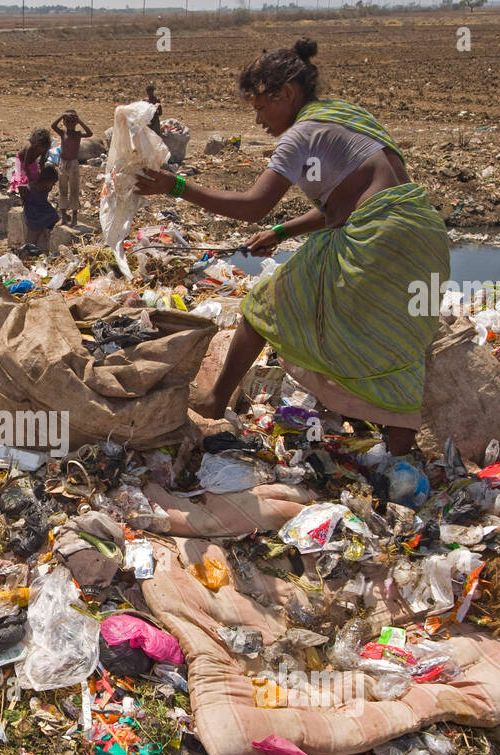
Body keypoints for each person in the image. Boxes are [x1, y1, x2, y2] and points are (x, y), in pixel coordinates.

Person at [133, 39, 450, 456]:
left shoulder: (301, 134)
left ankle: (214, 400)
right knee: (396, 338)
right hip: (423, 236)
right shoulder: (349, 117)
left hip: (377, 241)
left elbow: (253, 205)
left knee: (264, 306)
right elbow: (350, 202)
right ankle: (400, 455)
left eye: (261, 108)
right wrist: (282, 233)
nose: (260, 120)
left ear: (285, 94)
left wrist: (175, 186)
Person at [50, 110, 92, 225]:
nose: (69, 123)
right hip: (63, 163)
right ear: (63, 122)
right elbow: (53, 125)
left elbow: (90, 133)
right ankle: (63, 217)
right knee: (63, 190)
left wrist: (79, 121)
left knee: (74, 191)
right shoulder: (63, 133)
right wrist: (61, 116)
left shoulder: (77, 134)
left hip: (73, 164)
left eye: (72, 121)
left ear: (76, 122)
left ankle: (74, 218)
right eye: (67, 121)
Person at [22, 165, 59, 251]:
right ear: (46, 180)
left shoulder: (45, 186)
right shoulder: (35, 186)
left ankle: (35, 244)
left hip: (42, 206)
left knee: (54, 216)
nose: (53, 185)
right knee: (37, 227)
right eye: (52, 182)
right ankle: (31, 246)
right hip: (33, 210)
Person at [10, 128, 51, 199]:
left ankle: (34, 193)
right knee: (22, 179)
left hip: (32, 161)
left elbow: (41, 163)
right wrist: (31, 180)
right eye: (38, 147)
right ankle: (21, 194)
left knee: (36, 175)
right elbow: (26, 166)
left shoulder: (45, 148)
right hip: (21, 161)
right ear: (35, 143)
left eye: (42, 148)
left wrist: (43, 175)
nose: (40, 149)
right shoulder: (30, 148)